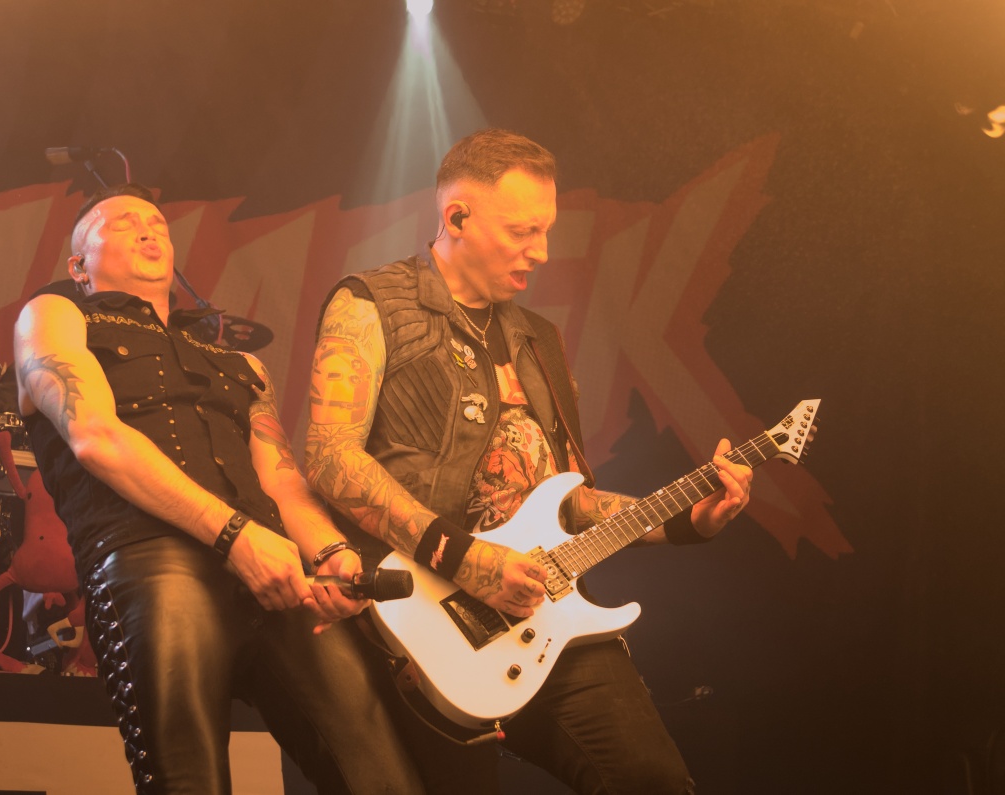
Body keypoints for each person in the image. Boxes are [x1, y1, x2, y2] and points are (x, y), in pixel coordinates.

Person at [303, 129, 755, 795]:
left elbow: (567, 501)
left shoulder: (536, 339)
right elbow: (330, 457)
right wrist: (466, 559)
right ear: (458, 217)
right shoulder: (372, 304)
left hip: (543, 613)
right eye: (522, 231)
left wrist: (690, 519)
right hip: (420, 617)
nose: (540, 251)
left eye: (545, 231)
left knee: (652, 780)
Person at [13, 183, 421, 795]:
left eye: (157, 222)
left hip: (273, 562)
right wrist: (234, 535)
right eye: (121, 223)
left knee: (382, 778)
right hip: (151, 555)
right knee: (190, 781)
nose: (148, 228)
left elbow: (280, 478)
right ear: (78, 265)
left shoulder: (237, 362)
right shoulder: (55, 313)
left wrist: (331, 552)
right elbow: (95, 435)